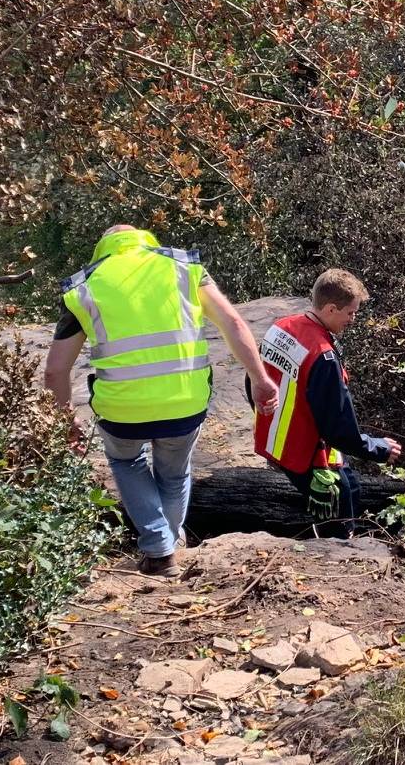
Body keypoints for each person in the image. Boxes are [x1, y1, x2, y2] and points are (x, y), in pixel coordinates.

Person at [44, 225, 278, 575]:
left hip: (121, 412)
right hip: (184, 402)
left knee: (127, 462)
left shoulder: (83, 287)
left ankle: (159, 548)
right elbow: (231, 322)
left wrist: (66, 420)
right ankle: (170, 542)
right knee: (174, 472)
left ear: (103, 250)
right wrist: (260, 379)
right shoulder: (184, 268)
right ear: (146, 240)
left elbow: (55, 371)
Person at [251, 268, 403, 537]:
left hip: (276, 439)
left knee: (350, 487)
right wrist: (377, 448)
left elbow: (254, 380)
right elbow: (338, 430)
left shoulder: (281, 327)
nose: (353, 320)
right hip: (303, 452)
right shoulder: (323, 357)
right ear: (331, 309)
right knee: (339, 507)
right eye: (351, 313)